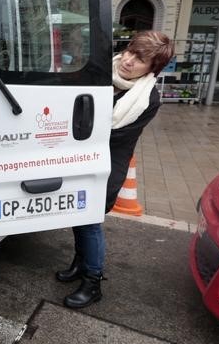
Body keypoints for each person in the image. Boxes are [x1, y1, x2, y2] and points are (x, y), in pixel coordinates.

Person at [56, 31, 174, 309]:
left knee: (90, 223)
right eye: (131, 52)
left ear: (152, 68)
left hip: (107, 166)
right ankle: (78, 263)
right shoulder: (100, 73)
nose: (129, 61)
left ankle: (92, 281)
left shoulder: (147, 100)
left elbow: (108, 135)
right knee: (78, 215)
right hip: (80, 159)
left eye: (141, 59)